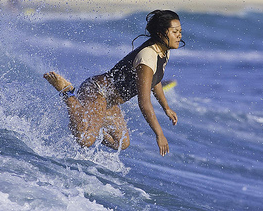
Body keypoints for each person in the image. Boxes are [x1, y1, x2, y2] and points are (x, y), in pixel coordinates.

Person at [44, 10, 183, 156]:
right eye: (174, 31)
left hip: (109, 101)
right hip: (98, 91)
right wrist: (159, 134)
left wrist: (166, 107)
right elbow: (144, 102)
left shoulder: (163, 51)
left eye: (180, 31)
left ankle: (86, 121)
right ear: (161, 34)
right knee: (85, 139)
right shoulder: (147, 57)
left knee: (121, 143)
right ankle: (67, 93)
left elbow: (155, 81)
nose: (179, 35)